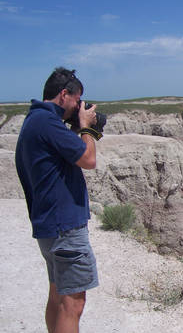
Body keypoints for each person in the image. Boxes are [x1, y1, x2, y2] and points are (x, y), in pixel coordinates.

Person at [15, 67, 100, 333]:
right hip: (65, 227)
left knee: (58, 296)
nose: (78, 108)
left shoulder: (35, 120)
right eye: (77, 101)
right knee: (72, 304)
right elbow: (89, 159)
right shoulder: (47, 123)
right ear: (64, 94)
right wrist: (87, 128)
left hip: (50, 226)